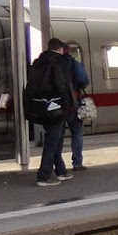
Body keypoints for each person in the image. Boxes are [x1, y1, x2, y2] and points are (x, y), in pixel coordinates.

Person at [27, 38, 76, 185]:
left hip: (41, 106)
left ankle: (61, 171)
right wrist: (67, 105)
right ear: (60, 49)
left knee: (56, 139)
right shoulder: (58, 62)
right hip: (56, 106)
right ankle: (43, 175)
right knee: (52, 141)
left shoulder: (38, 63)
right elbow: (62, 85)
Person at [66, 48, 90, 173]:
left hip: (53, 105)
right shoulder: (74, 64)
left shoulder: (46, 63)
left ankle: (57, 166)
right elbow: (84, 81)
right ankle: (77, 163)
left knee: (55, 136)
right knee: (77, 133)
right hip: (72, 103)